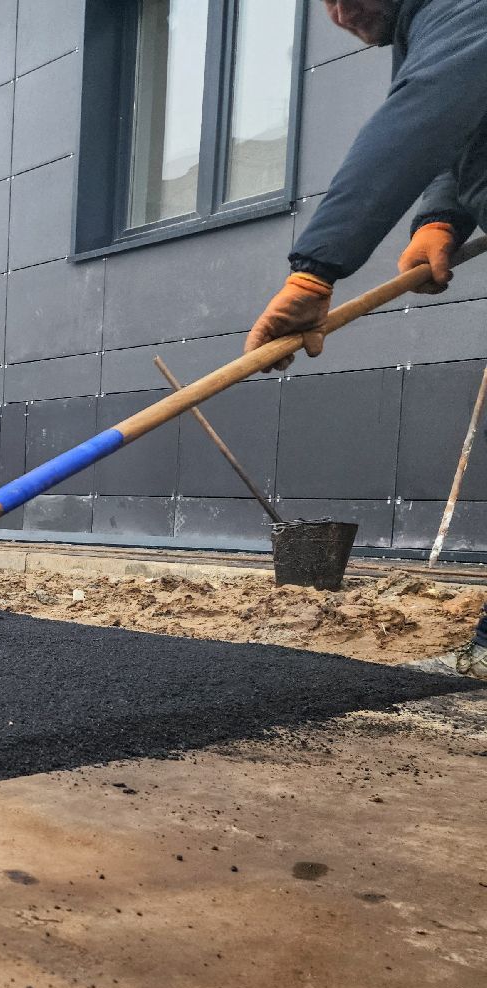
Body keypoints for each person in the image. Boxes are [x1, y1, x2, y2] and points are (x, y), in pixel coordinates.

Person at [244, 0, 487, 675]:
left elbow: (427, 111)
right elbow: (465, 123)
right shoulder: (437, 26)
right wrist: (440, 219)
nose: (337, 14)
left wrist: (316, 271)